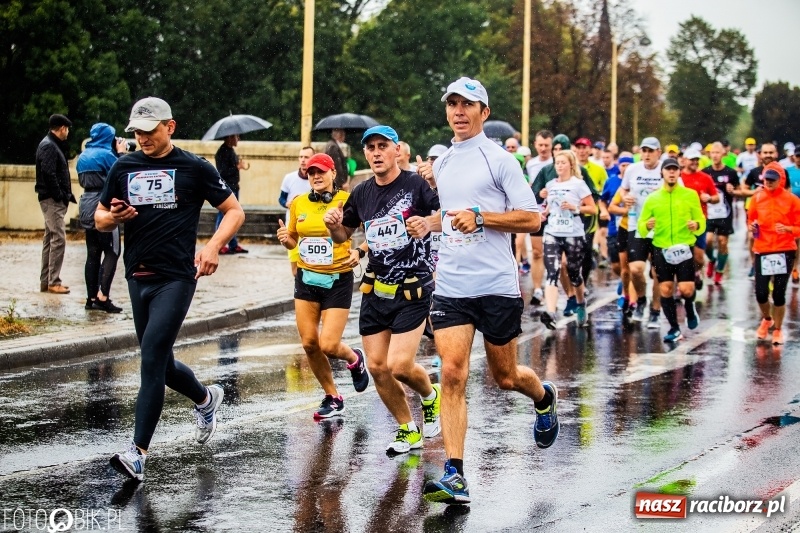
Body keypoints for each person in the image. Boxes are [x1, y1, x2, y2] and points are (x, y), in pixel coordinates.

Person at [415, 77, 556, 505]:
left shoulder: (501, 160)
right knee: (453, 373)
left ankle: (544, 396)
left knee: (505, 377)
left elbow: (531, 220)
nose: (458, 111)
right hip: (453, 284)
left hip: (496, 286)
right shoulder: (443, 163)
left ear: (484, 112)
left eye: (467, 105)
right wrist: (432, 222)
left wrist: (482, 217)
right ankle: (455, 473)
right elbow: (452, 212)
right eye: (452, 104)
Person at [96, 97, 245, 481]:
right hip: (137, 276)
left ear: (170, 127)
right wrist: (113, 216)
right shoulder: (124, 166)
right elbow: (97, 218)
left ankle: (138, 454)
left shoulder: (194, 167)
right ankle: (206, 398)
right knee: (158, 361)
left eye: (150, 131)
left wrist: (212, 246)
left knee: (150, 357)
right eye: (137, 132)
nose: (142, 138)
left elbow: (234, 210)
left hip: (178, 277)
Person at [323, 125, 442, 455]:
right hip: (376, 289)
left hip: (413, 287)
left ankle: (431, 395)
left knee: (400, 365)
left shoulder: (415, 185)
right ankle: (407, 428)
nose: (376, 152)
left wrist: (435, 183)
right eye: (370, 147)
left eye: (382, 146)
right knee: (376, 367)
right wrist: (334, 225)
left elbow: (445, 215)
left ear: (395, 151)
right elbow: (343, 235)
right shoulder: (360, 193)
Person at [275, 153, 370, 419]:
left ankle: (354, 359)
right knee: (308, 343)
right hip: (306, 279)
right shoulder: (299, 203)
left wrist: (360, 251)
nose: (315, 176)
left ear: (333, 174)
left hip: (338, 278)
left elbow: (372, 230)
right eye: (311, 172)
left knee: (328, 344)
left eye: (321, 171)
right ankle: (332, 396)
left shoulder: (346, 200)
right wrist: (287, 241)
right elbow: (294, 240)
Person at [531, 135, 600, 317]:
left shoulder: (580, 182)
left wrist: (575, 207)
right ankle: (551, 312)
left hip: (574, 232)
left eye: (563, 162)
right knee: (552, 271)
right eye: (557, 162)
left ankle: (580, 302)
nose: (559, 165)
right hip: (553, 231)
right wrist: (542, 211)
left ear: (570, 164)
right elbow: (544, 204)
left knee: (574, 272)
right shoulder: (550, 182)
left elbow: (593, 207)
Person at [638, 158, 705, 342]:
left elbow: (701, 222)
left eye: (675, 169)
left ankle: (690, 308)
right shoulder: (652, 198)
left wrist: (696, 224)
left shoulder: (690, 195)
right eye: (668, 170)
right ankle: (674, 328)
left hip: (684, 248)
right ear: (662, 173)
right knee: (666, 289)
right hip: (661, 248)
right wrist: (647, 225)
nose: (672, 173)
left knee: (687, 289)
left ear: (679, 173)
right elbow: (641, 227)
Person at [76, 123, 126, 312]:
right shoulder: (107, 155)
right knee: (112, 251)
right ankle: (102, 296)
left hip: (86, 203)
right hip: (103, 203)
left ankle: (90, 297)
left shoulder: (83, 156)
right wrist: (120, 153)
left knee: (93, 252)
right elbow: (121, 173)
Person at [748, 168, 800, 345]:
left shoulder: (792, 200)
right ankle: (767, 318)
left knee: (779, 294)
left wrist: (789, 230)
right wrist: (752, 228)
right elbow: (750, 221)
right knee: (761, 293)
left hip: (784, 250)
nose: (768, 182)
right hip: (763, 250)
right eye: (766, 179)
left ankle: (777, 329)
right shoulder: (757, 197)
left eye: (772, 179)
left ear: (781, 180)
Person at [620, 137, 664, 327]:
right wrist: (626, 198)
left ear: (658, 153)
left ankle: (655, 310)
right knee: (636, 269)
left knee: (658, 273)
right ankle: (641, 300)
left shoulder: (666, 169)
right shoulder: (632, 169)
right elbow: (623, 191)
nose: (646, 154)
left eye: (650, 151)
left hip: (661, 229)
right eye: (643, 151)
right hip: (636, 225)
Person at [35, 113, 75, 294]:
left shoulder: (49, 144)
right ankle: (53, 281)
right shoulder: (50, 146)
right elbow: (48, 173)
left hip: (51, 198)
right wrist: (59, 195)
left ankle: (47, 281)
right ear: (62, 128)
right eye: (67, 129)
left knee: (50, 239)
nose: (67, 133)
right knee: (58, 238)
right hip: (52, 199)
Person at [679, 147, 719, 290]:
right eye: (692, 160)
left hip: (699, 221)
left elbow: (716, 197)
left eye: (697, 160)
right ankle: (682, 282)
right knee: (681, 255)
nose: (695, 162)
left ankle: (696, 271)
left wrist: (708, 198)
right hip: (681, 222)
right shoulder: (679, 178)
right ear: (684, 161)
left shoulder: (705, 177)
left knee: (698, 257)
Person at [702, 142, 741, 285]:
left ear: (723, 154)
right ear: (709, 154)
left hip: (725, 213)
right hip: (709, 213)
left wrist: (733, 191)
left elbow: (740, 190)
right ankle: (712, 260)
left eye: (718, 152)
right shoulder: (705, 172)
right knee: (707, 241)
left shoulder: (730, 172)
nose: (715, 155)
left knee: (723, 243)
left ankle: (719, 271)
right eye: (713, 152)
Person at [526, 130, 554, 307]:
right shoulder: (530, 165)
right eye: (540, 145)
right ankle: (537, 288)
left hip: (556, 213)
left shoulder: (556, 163)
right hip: (537, 213)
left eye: (546, 145)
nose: (543, 149)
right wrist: (536, 191)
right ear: (535, 145)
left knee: (556, 255)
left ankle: (555, 286)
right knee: (537, 252)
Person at [279, 146, 315, 276]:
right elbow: (281, 199)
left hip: (310, 229)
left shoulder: (317, 180)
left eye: (306, 157)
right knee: (295, 270)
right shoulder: (289, 178)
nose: (303, 160)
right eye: (301, 157)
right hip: (292, 227)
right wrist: (287, 203)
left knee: (310, 266)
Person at [215, 134, 249, 254]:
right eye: (236, 137)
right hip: (227, 188)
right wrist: (237, 167)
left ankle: (233, 244)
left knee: (233, 216)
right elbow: (222, 172)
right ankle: (220, 245)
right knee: (224, 215)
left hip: (233, 186)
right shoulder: (223, 152)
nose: (238, 139)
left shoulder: (230, 151)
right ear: (229, 138)